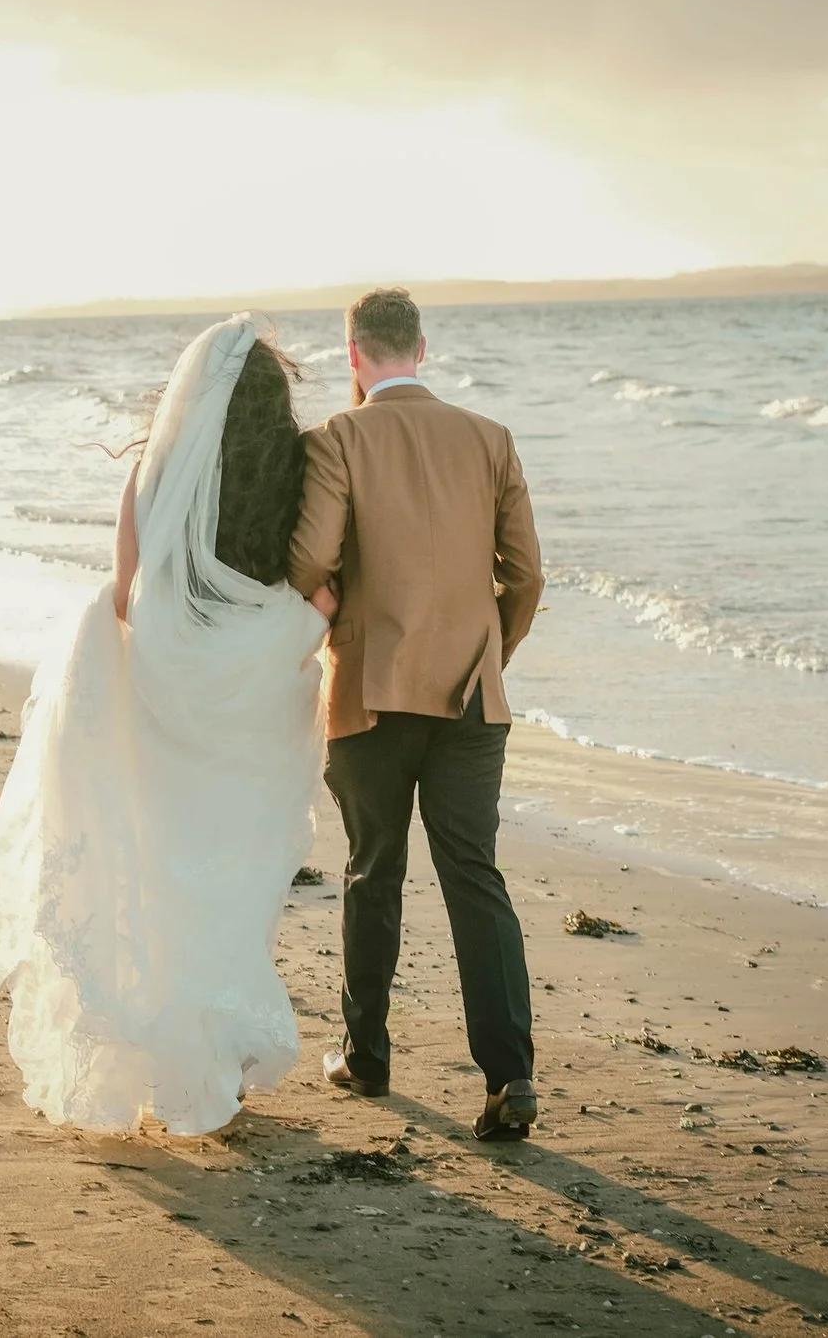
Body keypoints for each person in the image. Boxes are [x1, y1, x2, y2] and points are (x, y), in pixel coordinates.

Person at [0, 316, 335, 1135]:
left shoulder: (153, 476)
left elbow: (129, 595)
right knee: (235, 871)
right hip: (257, 695)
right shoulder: (297, 470)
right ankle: (219, 1058)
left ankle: (173, 1054)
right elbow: (318, 579)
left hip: (170, 688)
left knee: (168, 873)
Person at [289, 287, 546, 1140]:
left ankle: (367, 1054)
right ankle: (510, 1075)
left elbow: (307, 557)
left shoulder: (339, 437)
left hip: (370, 690)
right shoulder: (490, 438)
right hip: (473, 694)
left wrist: (332, 602)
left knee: (374, 872)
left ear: (353, 354)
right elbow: (527, 575)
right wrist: (488, 654)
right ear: (423, 348)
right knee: (476, 876)